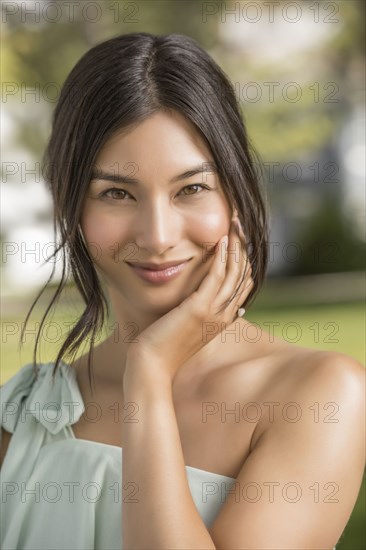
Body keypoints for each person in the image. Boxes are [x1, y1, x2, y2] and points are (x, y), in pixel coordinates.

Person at [0, 32, 364, 550]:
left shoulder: (316, 395)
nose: (158, 236)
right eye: (116, 193)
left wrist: (147, 375)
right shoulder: (23, 413)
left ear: (236, 194)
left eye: (191, 188)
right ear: (69, 207)